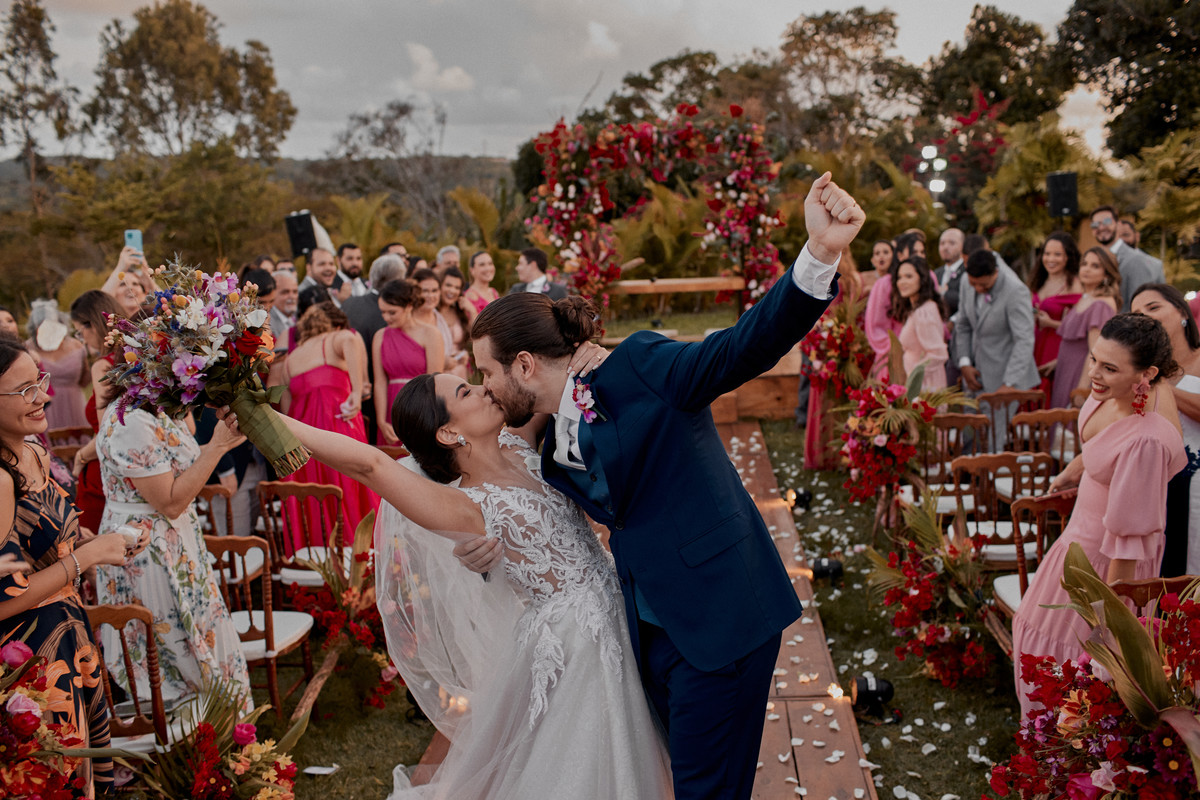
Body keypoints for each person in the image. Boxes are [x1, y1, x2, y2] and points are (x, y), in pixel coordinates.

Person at [457, 172, 863, 800]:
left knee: (706, 790)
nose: (485, 386)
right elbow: (536, 525)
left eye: (488, 371)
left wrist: (820, 254)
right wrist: (481, 553)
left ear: (526, 365)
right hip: (646, 635)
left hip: (720, 616)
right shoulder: (545, 444)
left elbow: (739, 350)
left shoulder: (642, 367)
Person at [222, 345, 671, 798]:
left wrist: (583, 349)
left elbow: (543, 382)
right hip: (576, 647)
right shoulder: (465, 507)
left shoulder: (520, 444)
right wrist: (265, 415)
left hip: (620, 608)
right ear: (448, 432)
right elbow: (370, 464)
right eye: (466, 391)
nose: (483, 389)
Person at [1011, 313, 1185, 717]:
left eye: (1110, 367)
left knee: (1073, 666)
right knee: (1035, 642)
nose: (1095, 374)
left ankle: (1061, 759)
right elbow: (1096, 450)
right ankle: (1040, 749)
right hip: (1074, 543)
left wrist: (1108, 622)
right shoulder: (1105, 394)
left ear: (1148, 374)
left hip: (1106, 565)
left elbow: (1128, 540)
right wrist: (1072, 472)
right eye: (1094, 360)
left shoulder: (1146, 441)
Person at [0, 339, 142, 794]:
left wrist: (97, 541)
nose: (44, 395)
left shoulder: (35, 452)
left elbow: (52, 539)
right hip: (28, 658)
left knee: (85, 772)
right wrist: (88, 557)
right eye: (24, 390)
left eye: (39, 380)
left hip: (70, 637)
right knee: (55, 776)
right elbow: (5, 599)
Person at [93, 390, 252, 708]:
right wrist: (218, 445)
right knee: (171, 656)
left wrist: (232, 436)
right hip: (146, 549)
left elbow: (180, 466)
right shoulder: (132, 419)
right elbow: (170, 501)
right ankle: (192, 747)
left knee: (197, 638)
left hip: (176, 541)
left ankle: (221, 736)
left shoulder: (163, 408)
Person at [274, 301, 378, 542]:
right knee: (350, 492)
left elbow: (287, 408)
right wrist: (356, 393)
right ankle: (358, 560)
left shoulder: (290, 360)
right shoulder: (335, 338)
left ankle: (320, 565)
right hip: (337, 428)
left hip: (301, 444)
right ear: (332, 324)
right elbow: (351, 340)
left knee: (315, 502)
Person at [1130, 284, 1200, 577]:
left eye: (1153, 307)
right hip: (1156, 483)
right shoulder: (1143, 373)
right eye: (1136, 314)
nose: (1145, 316)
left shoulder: (1156, 379)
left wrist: (1160, 385)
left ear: (1182, 312)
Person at [954, 250, 1040, 449]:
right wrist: (965, 362)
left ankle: (989, 479)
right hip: (974, 374)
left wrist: (1009, 383)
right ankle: (969, 479)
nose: (977, 288)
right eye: (973, 283)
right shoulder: (968, 282)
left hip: (1004, 376)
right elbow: (963, 324)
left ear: (996, 273)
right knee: (970, 434)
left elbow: (1024, 339)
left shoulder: (1015, 291)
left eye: (983, 285)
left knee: (992, 439)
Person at [69, 290, 126, 535]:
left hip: (103, 470)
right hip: (133, 464)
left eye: (79, 331)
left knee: (92, 546)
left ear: (92, 324)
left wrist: (81, 456)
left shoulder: (104, 365)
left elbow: (108, 430)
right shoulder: (139, 356)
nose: (81, 338)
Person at [373, 280, 444, 445]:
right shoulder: (380, 336)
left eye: (392, 312)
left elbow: (435, 382)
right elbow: (380, 382)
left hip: (420, 408)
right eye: (383, 312)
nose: (386, 317)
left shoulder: (431, 334)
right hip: (390, 408)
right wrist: (381, 421)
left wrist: (426, 418)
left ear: (409, 306)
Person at [1050, 247, 1120, 409]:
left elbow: (1095, 351)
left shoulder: (1101, 305)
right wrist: (1057, 361)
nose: (1087, 269)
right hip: (1065, 368)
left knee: (1068, 428)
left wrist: (1081, 391)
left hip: (1079, 374)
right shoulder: (1087, 297)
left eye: (1095, 266)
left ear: (1107, 274)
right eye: (1084, 264)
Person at [1029, 233, 1083, 401]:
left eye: (1057, 254)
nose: (1050, 258)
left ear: (1068, 257)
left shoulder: (1075, 285)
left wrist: (1050, 323)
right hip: (1034, 346)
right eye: (1047, 253)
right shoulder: (1038, 281)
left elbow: (1079, 328)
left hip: (1056, 347)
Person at [865, 231, 925, 374]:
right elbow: (875, 327)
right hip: (892, 358)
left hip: (925, 358)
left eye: (922, 252)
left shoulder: (930, 279)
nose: (919, 256)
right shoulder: (884, 284)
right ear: (899, 256)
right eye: (913, 251)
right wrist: (897, 349)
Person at [25, 299, 90, 430]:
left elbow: (85, 381)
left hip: (74, 405)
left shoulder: (77, 346)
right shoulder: (28, 349)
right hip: (45, 407)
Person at [1088, 205, 1162, 310]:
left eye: (1106, 221)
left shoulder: (1136, 259)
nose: (1101, 227)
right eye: (1095, 224)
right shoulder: (1092, 259)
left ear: (1118, 225)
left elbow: (1140, 305)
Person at [894, 257, 948, 391]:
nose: (902, 282)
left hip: (925, 387)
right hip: (916, 386)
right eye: (899, 277)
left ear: (922, 279)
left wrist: (914, 376)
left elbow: (938, 353)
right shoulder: (917, 309)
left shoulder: (924, 311)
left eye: (908, 276)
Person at [437, 266, 472, 378]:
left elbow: (475, 337)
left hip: (459, 373)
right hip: (438, 372)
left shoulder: (459, 313)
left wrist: (472, 310)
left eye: (457, 287)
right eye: (448, 285)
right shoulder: (431, 314)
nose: (452, 291)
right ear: (439, 285)